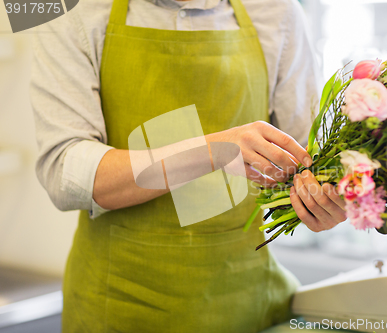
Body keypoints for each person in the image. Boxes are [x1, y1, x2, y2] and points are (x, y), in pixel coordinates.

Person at [30, 0, 346, 331]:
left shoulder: (277, 12)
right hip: (118, 305)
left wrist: (320, 203)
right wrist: (212, 151)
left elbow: (304, 162)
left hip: (247, 303)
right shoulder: (71, 12)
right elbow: (64, 176)